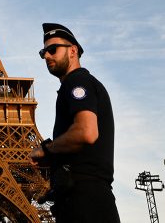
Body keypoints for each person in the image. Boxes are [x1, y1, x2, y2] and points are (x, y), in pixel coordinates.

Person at [29, 23, 120, 223]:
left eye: (53, 49)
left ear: (73, 51)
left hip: (85, 200)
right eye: (43, 52)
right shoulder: (75, 85)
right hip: (85, 199)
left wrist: (47, 150)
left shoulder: (77, 81)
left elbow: (87, 132)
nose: (46, 56)